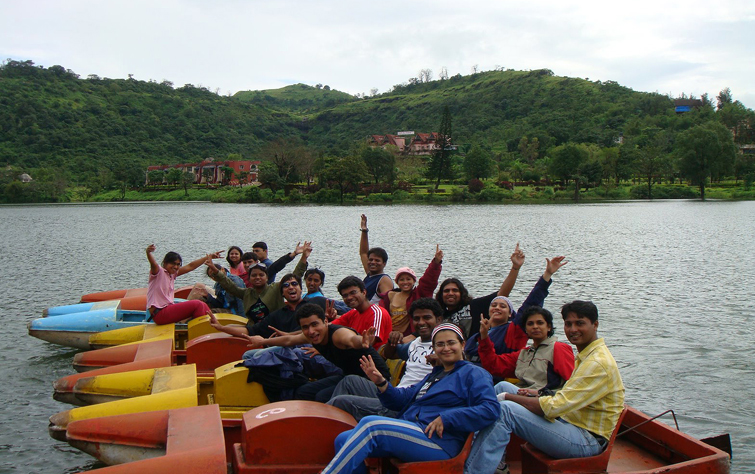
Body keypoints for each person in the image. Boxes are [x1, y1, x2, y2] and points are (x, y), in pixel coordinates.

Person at [465, 301, 625, 474]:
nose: (572, 329)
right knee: (503, 387)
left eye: (580, 323)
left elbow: (553, 408)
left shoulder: (595, 362)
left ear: (595, 325)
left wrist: (508, 397)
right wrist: (536, 393)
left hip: (586, 439)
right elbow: (568, 393)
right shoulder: (585, 355)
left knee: (506, 409)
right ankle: (472, 449)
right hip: (568, 419)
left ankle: (473, 470)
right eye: (568, 324)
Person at [320, 323, 500, 474]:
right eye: (440, 344)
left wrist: (448, 418)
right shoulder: (435, 376)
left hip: (439, 442)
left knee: (371, 425)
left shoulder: (474, 373)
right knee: (343, 439)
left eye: (451, 343)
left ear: (462, 345)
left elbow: (491, 409)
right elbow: (402, 399)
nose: (445, 348)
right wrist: (381, 382)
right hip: (414, 430)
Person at [244, 303, 392, 402]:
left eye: (315, 324)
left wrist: (362, 341)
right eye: (305, 327)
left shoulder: (337, 335)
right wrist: (262, 342)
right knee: (303, 392)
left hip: (376, 383)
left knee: (322, 396)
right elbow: (288, 340)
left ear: (326, 322)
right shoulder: (312, 336)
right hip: (347, 376)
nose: (311, 331)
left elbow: (351, 340)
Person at [327, 297, 444, 420]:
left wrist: (441, 361)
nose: (421, 322)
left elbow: (460, 363)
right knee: (350, 381)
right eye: (416, 319)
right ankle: (332, 424)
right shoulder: (415, 343)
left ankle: (321, 424)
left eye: (427, 318)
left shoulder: (445, 346)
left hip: (407, 404)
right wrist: (392, 340)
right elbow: (389, 354)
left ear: (438, 320)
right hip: (395, 393)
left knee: (341, 402)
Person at [464, 255, 568, 363]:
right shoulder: (478, 333)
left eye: (503, 306)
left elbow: (531, 303)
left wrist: (547, 275)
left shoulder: (513, 331)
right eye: (494, 305)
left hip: (498, 374)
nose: (497, 308)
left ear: (510, 314)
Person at [479, 306, 574, 396]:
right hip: (523, 395)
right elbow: (493, 365)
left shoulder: (558, 348)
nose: (535, 327)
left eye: (540, 323)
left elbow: (572, 381)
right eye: (530, 324)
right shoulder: (524, 354)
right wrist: (484, 336)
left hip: (545, 401)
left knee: (503, 396)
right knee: (500, 387)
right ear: (525, 329)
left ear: (549, 327)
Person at [435, 243, 524, 339]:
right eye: (446, 291)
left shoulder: (474, 306)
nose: (450, 293)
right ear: (441, 295)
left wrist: (515, 268)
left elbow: (502, 294)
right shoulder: (438, 315)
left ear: (462, 293)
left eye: (455, 290)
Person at [207, 242, 311, 322]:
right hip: (255, 329)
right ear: (249, 278)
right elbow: (229, 285)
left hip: (275, 328)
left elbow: (295, 276)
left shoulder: (275, 289)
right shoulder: (247, 293)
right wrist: (215, 270)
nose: (257, 278)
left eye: (261, 275)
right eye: (254, 275)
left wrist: (304, 257)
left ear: (267, 278)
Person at [208, 273, 328, 340]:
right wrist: (221, 328)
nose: (291, 287)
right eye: (286, 285)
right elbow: (251, 331)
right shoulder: (278, 315)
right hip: (287, 349)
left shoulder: (317, 303)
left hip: (313, 348)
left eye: (294, 284)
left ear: (301, 289)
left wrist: (334, 315)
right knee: (251, 355)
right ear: (282, 293)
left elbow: (344, 312)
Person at [145, 244, 221, 325]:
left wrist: (208, 257)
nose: (176, 266)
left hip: (166, 310)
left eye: (178, 264)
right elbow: (153, 264)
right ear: (165, 263)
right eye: (173, 264)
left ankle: (212, 327)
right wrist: (148, 253)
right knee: (197, 305)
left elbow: (191, 266)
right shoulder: (158, 272)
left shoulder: (172, 275)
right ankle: (201, 331)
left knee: (203, 305)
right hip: (159, 313)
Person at [379, 245, 443, 337]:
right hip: (391, 335)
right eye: (401, 279)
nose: (405, 282)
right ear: (397, 282)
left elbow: (429, 280)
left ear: (414, 281)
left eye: (408, 279)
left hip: (410, 335)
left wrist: (436, 263)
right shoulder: (389, 297)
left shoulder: (418, 294)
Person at [331, 276, 392, 349]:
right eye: (345, 295)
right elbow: (329, 327)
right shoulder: (354, 312)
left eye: (353, 292)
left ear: (364, 292)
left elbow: (369, 343)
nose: (349, 297)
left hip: (372, 357)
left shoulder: (377, 313)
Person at [359, 214, 394, 303]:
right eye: (370, 260)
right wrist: (364, 230)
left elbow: (388, 303)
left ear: (384, 264)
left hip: (370, 314)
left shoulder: (384, 280)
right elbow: (363, 253)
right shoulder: (370, 274)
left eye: (377, 260)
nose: (373, 262)